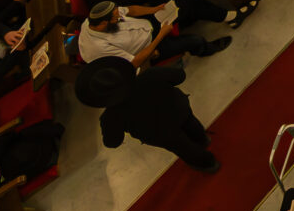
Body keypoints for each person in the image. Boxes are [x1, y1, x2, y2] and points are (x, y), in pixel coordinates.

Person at [78, 55, 218, 172]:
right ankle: (202, 140)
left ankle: (208, 164)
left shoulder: (110, 117)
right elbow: (180, 76)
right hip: (177, 107)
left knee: (183, 147)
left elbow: (113, 142)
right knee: (191, 124)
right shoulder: (150, 75)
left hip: (158, 133)